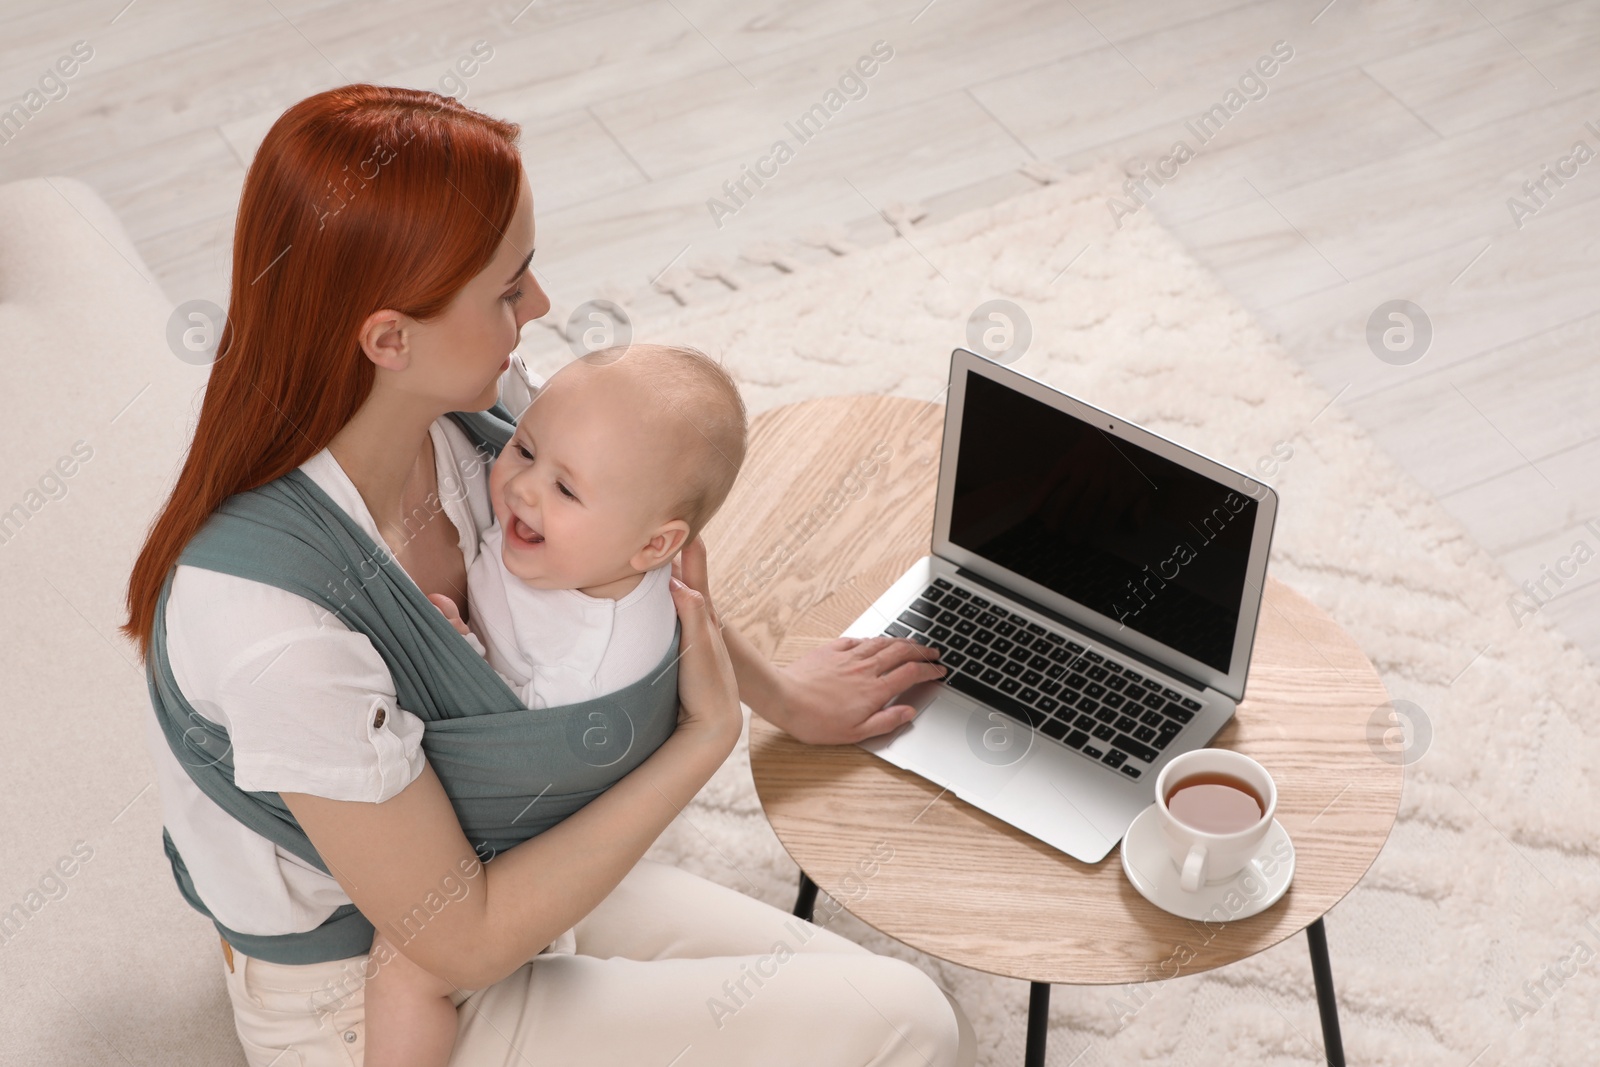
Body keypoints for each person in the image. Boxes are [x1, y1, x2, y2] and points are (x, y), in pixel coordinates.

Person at [120, 82, 974, 1067]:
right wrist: (704, 741)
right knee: (908, 1022)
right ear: (389, 338)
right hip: (372, 990)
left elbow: (619, 555)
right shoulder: (279, 632)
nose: (541, 304)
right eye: (508, 287)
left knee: (875, 999)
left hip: (494, 862)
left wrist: (785, 693)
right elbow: (457, 937)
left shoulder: (480, 424)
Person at [364, 341, 751, 1066]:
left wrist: (461, 648)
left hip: (531, 834)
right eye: (526, 448)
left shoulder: (600, 662)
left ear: (654, 545)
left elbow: (519, 749)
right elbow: (527, 398)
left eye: (566, 490)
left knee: (404, 965)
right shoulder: (584, 535)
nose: (523, 488)